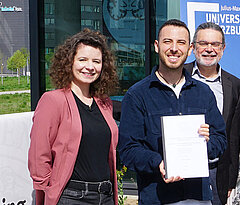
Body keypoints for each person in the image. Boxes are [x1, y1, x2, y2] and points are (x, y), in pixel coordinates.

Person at [118, 19, 227, 204]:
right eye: (168, 41)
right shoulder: (138, 95)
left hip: (198, 197)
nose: (174, 48)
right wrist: (158, 162)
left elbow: (220, 140)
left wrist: (205, 144)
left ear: (190, 48)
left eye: (181, 42)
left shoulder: (203, 92)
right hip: (157, 198)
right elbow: (128, 150)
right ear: (156, 46)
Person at [28, 28, 119, 204]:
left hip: (105, 196)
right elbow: (39, 155)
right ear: (69, 62)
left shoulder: (104, 103)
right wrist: (50, 190)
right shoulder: (53, 101)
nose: (90, 67)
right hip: (71, 197)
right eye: (82, 60)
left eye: (96, 61)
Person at [184, 22, 240, 205]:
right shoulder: (179, 74)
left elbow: (234, 136)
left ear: (223, 48)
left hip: (216, 171)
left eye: (215, 44)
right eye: (203, 43)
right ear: (193, 48)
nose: (209, 49)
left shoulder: (236, 86)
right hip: (183, 166)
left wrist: (231, 179)